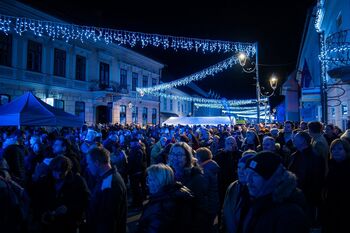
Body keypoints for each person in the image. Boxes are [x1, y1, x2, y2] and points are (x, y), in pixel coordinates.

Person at [240, 151, 309, 233]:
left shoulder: (289, 215)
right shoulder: (254, 202)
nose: (248, 180)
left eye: (255, 175)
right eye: (247, 174)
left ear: (272, 179)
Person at [136, 164, 194, 233]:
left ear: (159, 181)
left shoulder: (162, 206)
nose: (147, 183)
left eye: (151, 179)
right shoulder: (171, 195)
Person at [168, 142, 211, 233]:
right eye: (173, 154)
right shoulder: (169, 175)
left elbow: (201, 208)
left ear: (187, 157)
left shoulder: (196, 177)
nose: (175, 157)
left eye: (179, 154)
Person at [41, 155, 90, 233]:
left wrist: (69, 208)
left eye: (62, 172)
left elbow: (85, 201)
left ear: (68, 170)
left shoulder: (77, 181)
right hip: (49, 224)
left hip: (69, 223)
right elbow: (39, 200)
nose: (59, 175)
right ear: (52, 169)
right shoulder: (45, 181)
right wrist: (44, 212)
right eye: (56, 171)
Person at [86, 147, 127, 233]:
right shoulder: (109, 177)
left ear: (97, 163)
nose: (88, 167)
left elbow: (107, 221)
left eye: (89, 163)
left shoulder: (109, 184)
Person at [222, 150, 256, 233]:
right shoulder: (232, 186)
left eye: (244, 168)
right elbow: (225, 211)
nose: (240, 171)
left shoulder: (257, 191)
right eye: (239, 167)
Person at [322, 139, 350, 233]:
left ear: (346, 151)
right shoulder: (328, 164)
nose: (336, 151)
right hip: (330, 205)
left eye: (340, 149)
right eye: (333, 149)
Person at [195, 147, 220, 229]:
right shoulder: (212, 165)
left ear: (199, 158)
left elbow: (203, 189)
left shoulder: (205, 170)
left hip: (209, 204)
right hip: (214, 202)